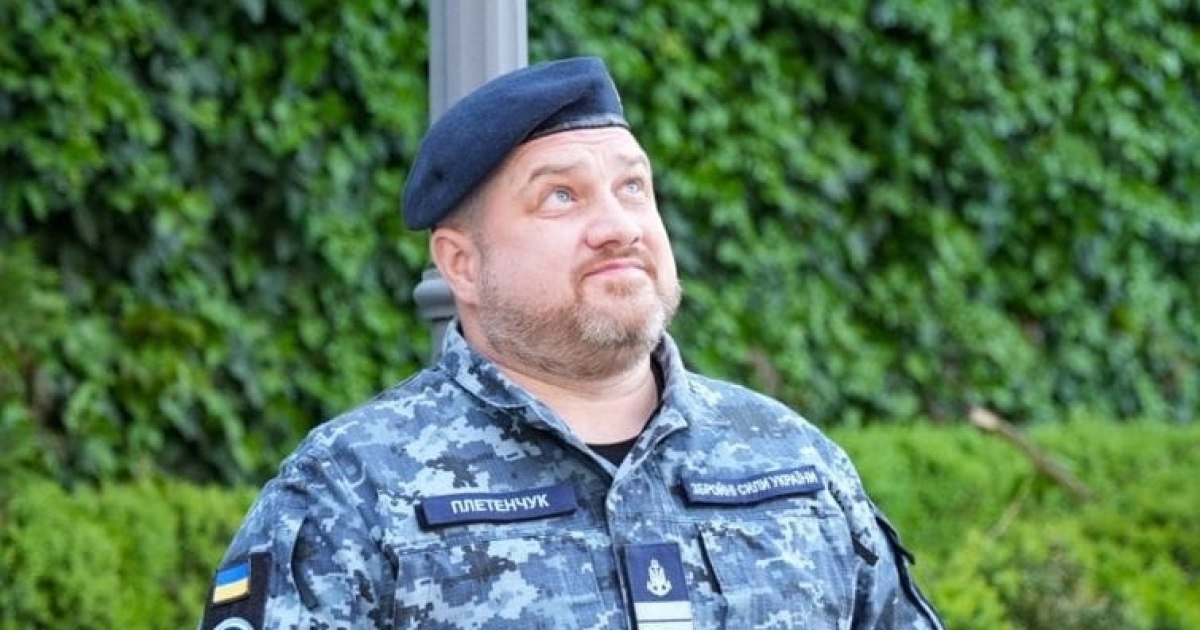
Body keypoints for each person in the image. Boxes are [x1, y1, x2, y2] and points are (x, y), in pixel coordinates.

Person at [201, 56, 943, 630]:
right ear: (462, 263)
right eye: (561, 196)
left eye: (633, 188)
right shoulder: (352, 490)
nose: (618, 226)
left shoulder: (796, 464)